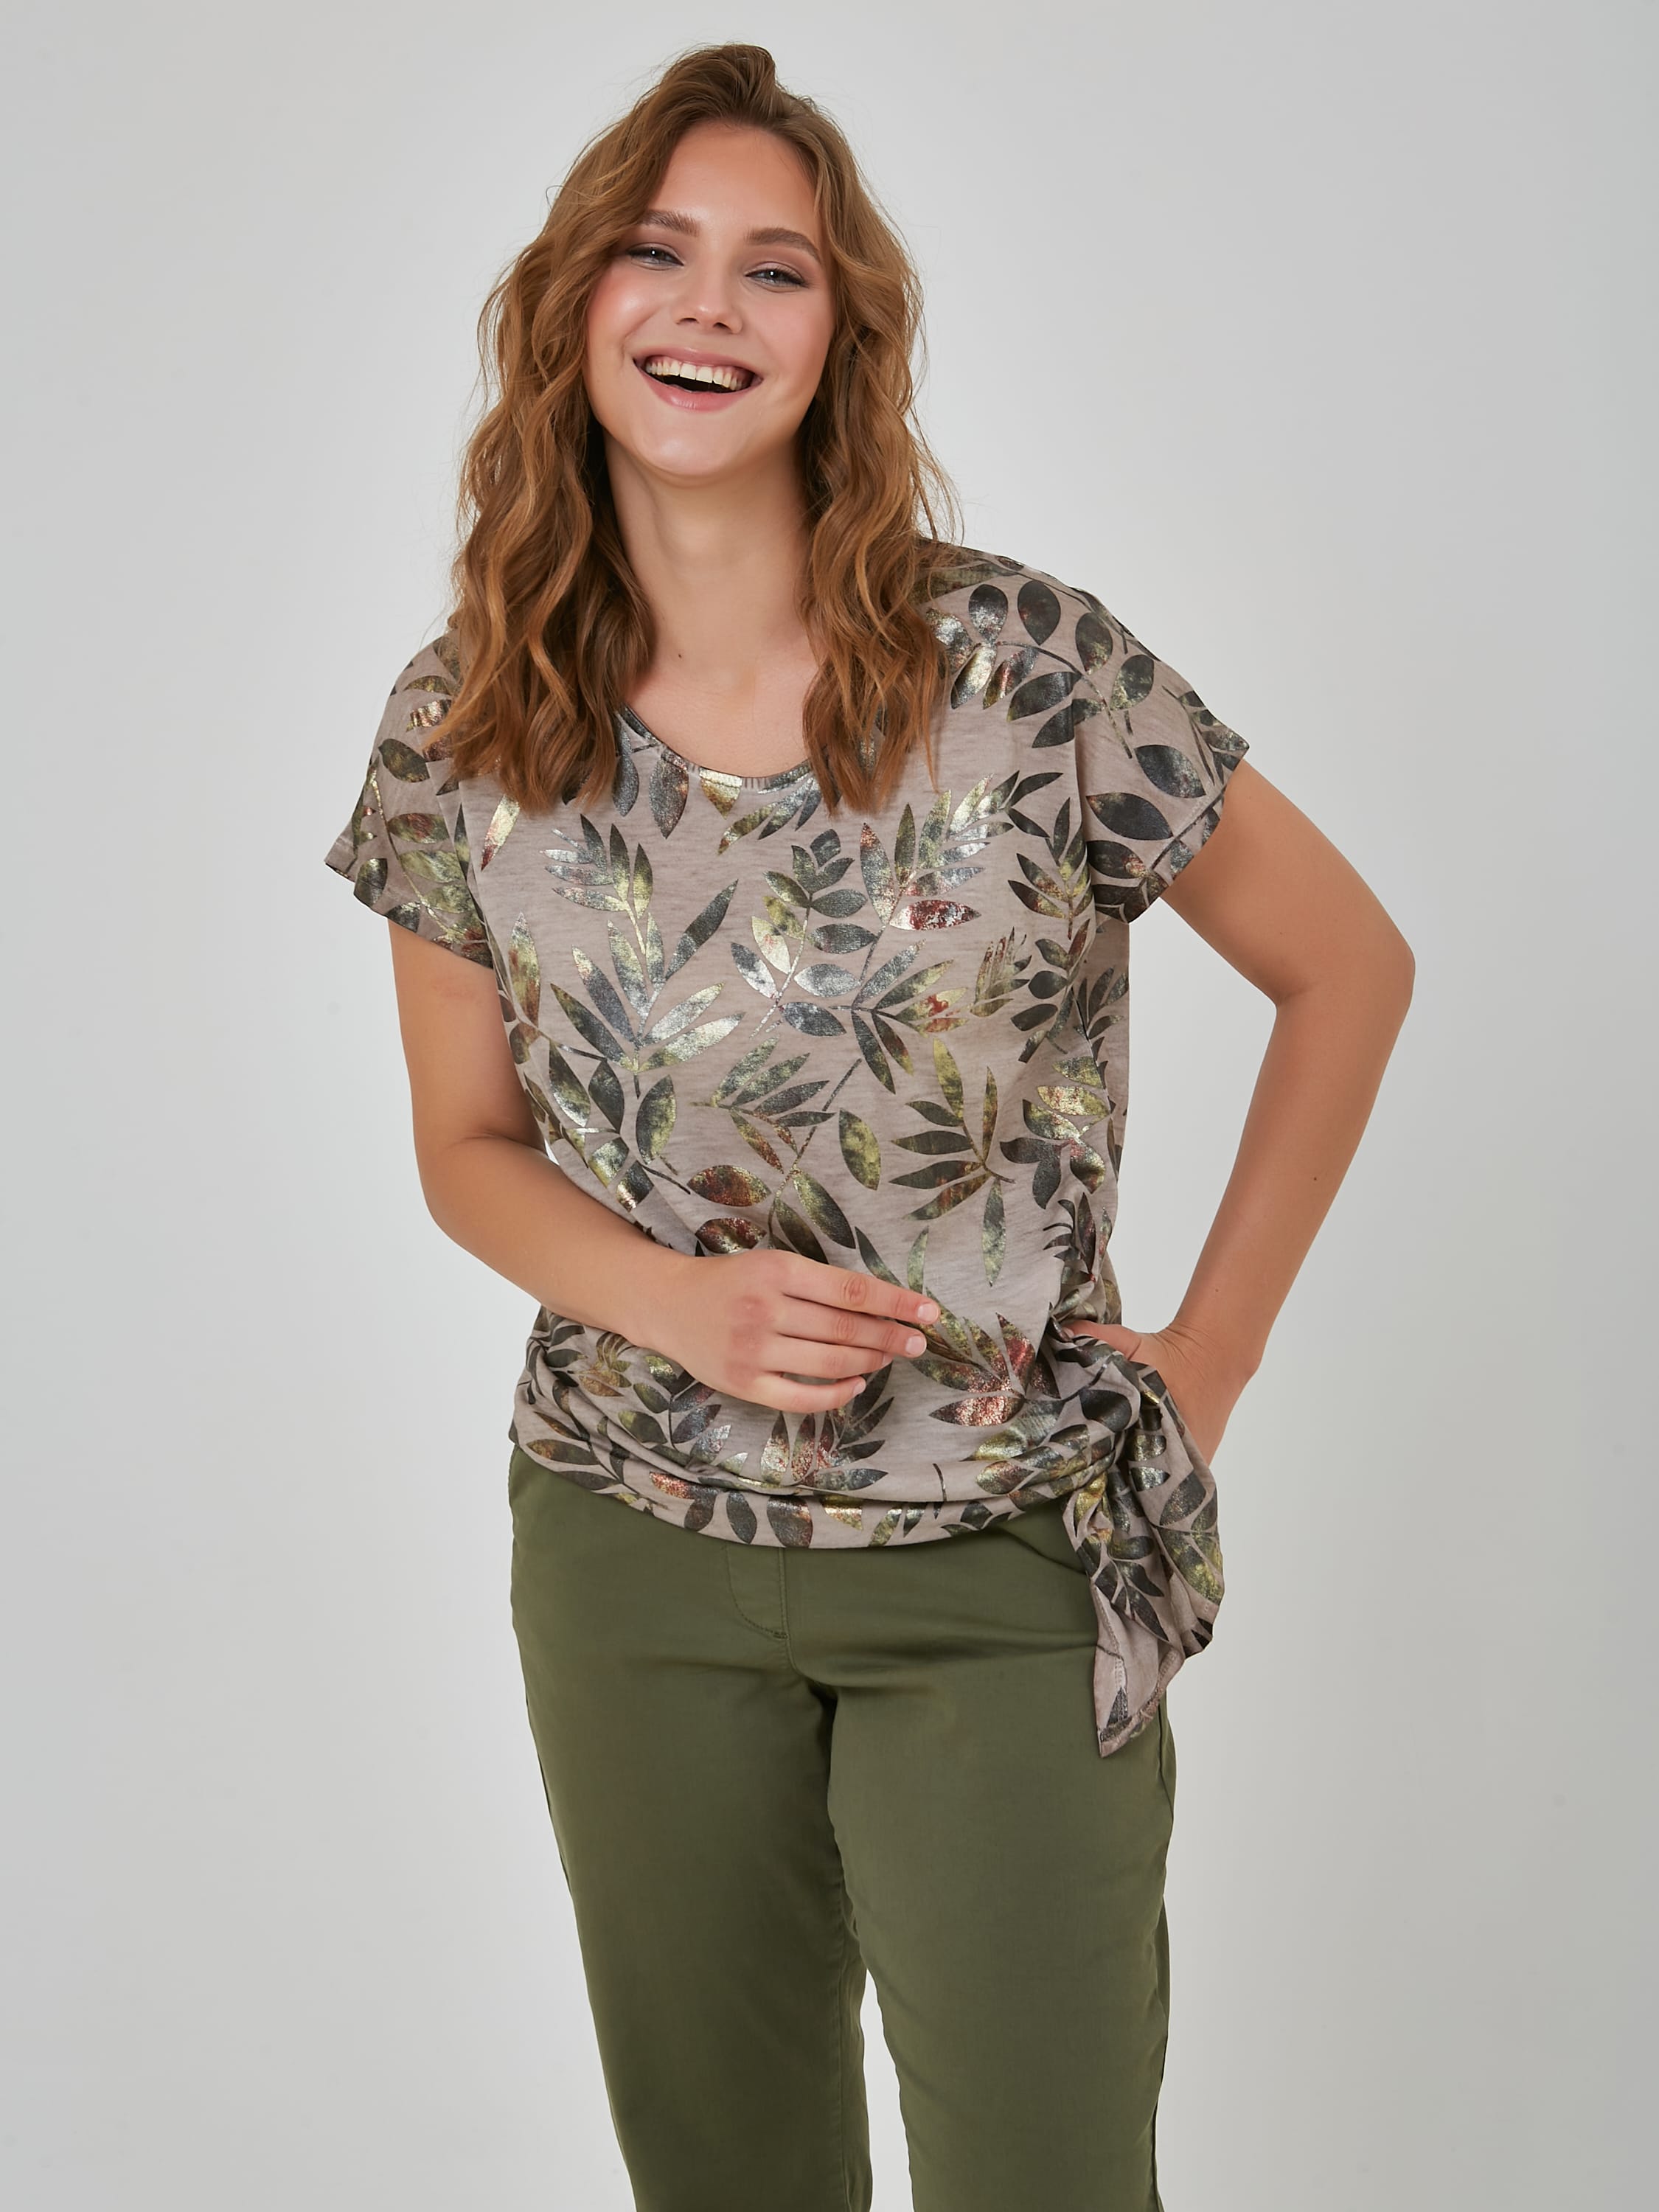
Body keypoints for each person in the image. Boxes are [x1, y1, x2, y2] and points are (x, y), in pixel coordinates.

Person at [322, 41, 1413, 2212]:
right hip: (628, 1551)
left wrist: (1212, 1355)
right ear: (575, 306)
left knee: (1044, 2176)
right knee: (723, 2177)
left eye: (776, 268)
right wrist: (679, 1309)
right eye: (657, 252)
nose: (707, 305)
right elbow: (463, 1147)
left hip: (995, 1551)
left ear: (843, 339)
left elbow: (1347, 969)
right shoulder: (467, 720)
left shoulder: (1029, 673)